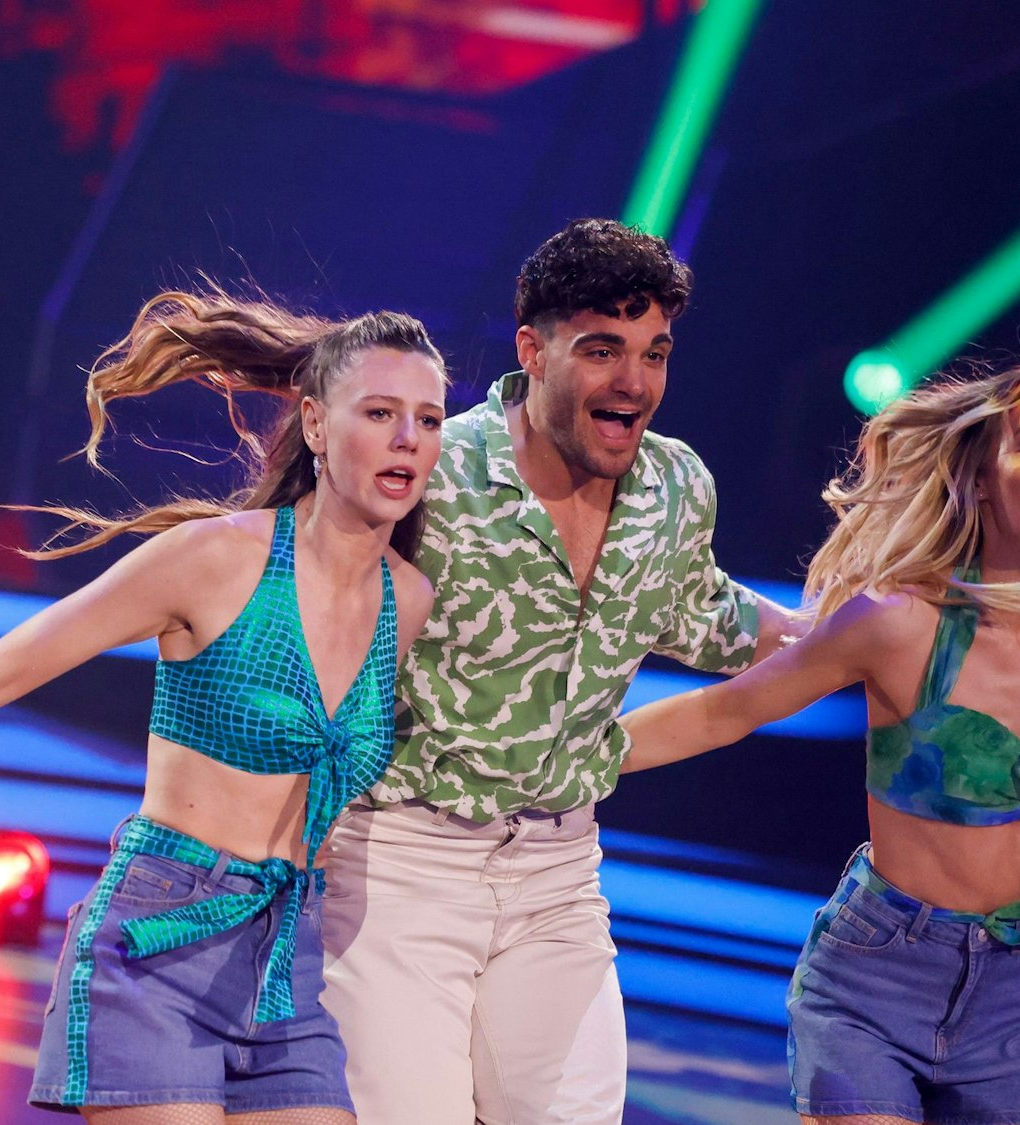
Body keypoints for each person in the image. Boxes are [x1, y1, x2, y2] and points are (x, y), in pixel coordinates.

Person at [0, 290, 448, 1123]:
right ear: (318, 427)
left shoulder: (411, 600)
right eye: (382, 412)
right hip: (160, 944)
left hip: (285, 959)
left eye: (428, 420)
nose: (408, 439)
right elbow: (1, 670)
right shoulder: (217, 560)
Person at [318, 218, 797, 1124]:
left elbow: (713, 614)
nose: (634, 382)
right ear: (532, 350)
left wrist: (865, 635)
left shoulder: (676, 485)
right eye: (603, 350)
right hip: (403, 864)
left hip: (559, 878)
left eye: (654, 354)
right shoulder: (434, 468)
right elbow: (314, 637)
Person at [620, 342, 1020, 1123]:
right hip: (874, 977)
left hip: (1019, 994)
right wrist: (576, 755)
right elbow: (726, 709)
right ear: (979, 477)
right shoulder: (896, 621)